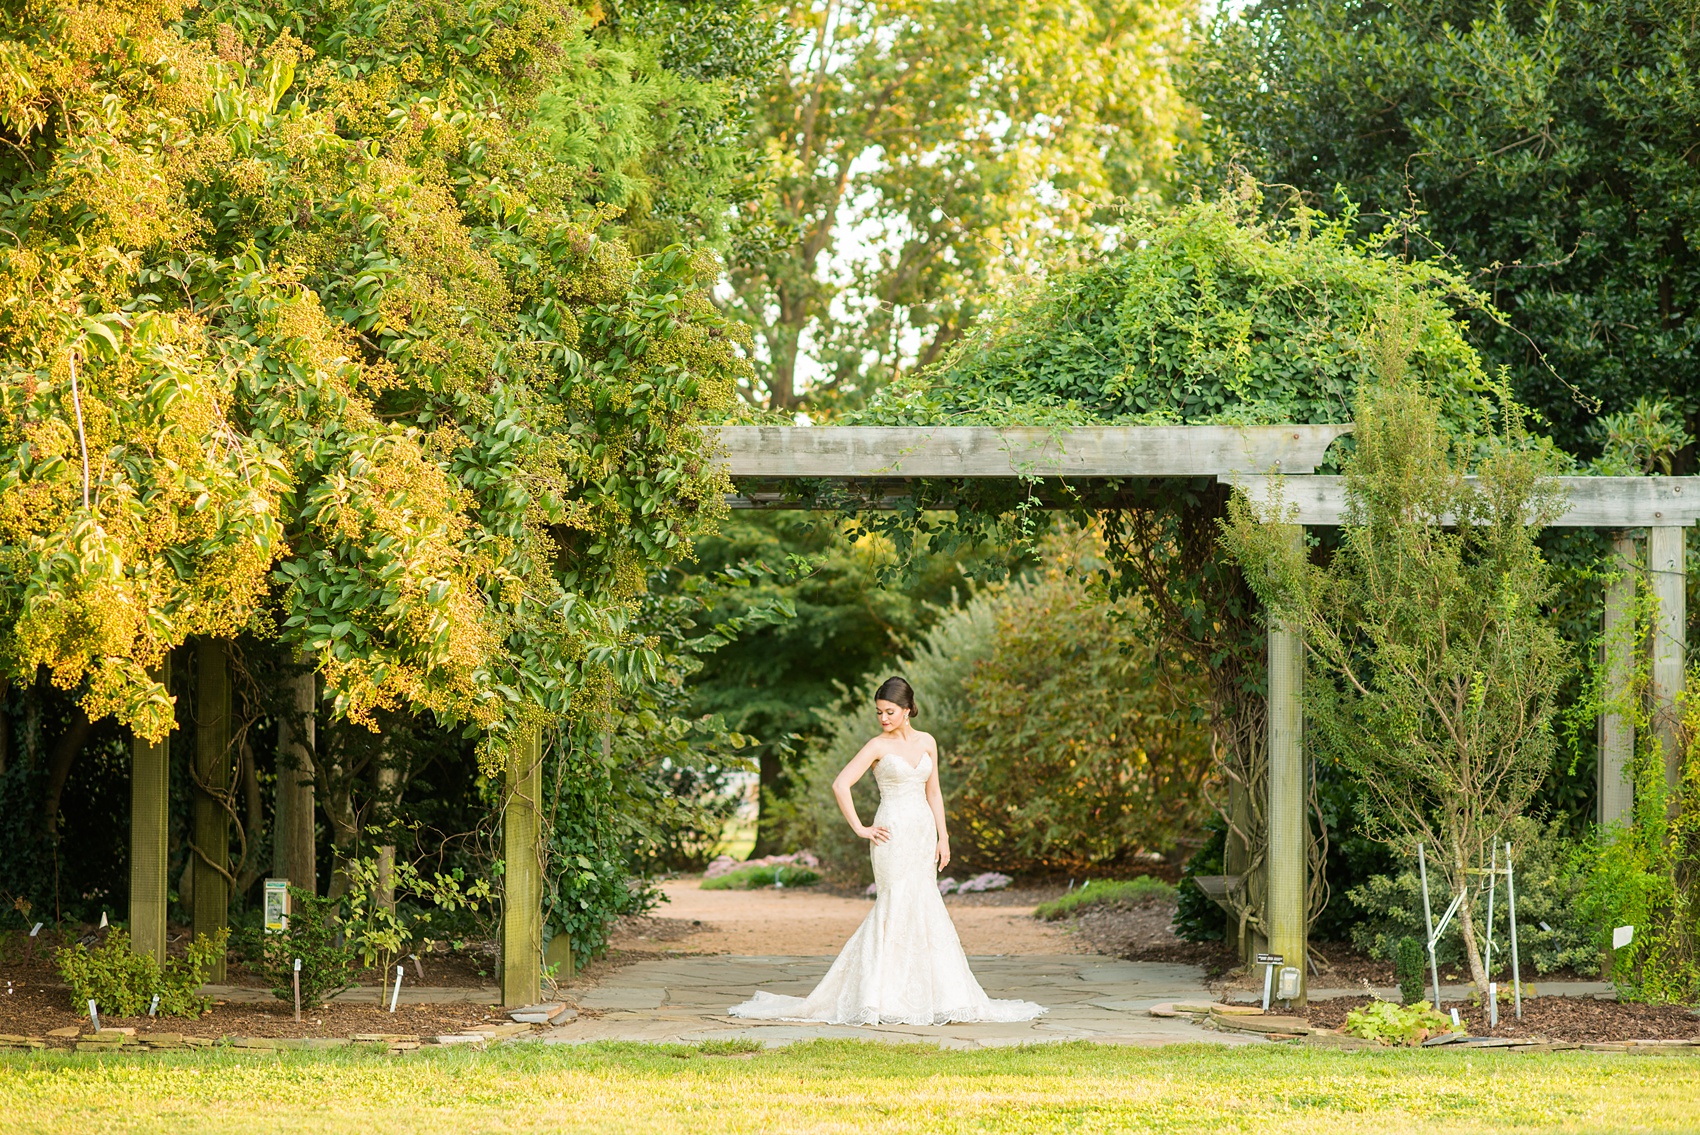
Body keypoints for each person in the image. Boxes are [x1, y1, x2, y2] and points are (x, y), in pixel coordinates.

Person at [728, 676, 1046, 1025]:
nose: (883, 718)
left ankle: (939, 996)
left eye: (890, 711)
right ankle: (882, 998)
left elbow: (934, 792)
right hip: (890, 837)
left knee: (925, 906)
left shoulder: (927, 742)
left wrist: (944, 837)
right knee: (894, 905)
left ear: (908, 709)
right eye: (879, 712)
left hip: (923, 835)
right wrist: (860, 828)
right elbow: (840, 784)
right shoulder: (876, 746)